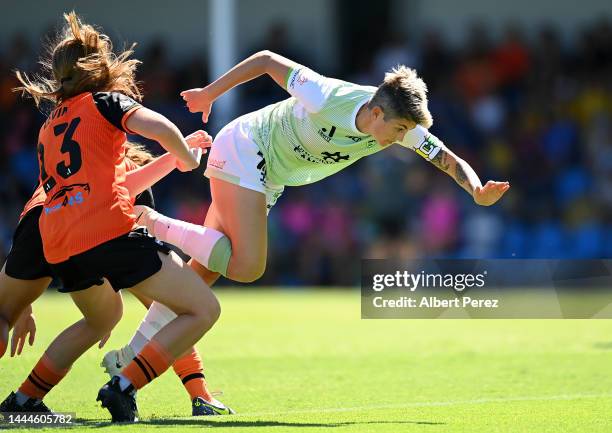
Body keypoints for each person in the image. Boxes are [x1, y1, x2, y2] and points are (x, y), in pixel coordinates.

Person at [107, 50, 510, 361]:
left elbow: (447, 159)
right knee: (247, 266)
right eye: (400, 129)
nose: (403, 138)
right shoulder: (326, 94)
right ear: (375, 112)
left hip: (267, 175)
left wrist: (475, 189)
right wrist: (211, 93)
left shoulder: (395, 128)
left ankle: (132, 354)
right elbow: (266, 61)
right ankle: (149, 220)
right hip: (248, 145)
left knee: (208, 270)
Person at [0, 12, 220, 423]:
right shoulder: (105, 103)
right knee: (202, 308)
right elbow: (159, 125)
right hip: (103, 233)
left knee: (103, 317)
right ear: (99, 69)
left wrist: (173, 158)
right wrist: (188, 159)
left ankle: (25, 401)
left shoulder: (49, 125)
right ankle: (124, 385)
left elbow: (97, 183)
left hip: (57, 245)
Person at [0, 140, 233, 416]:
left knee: (9, 319)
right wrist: (198, 391)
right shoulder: (131, 180)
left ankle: (25, 401)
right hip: (81, 236)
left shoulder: (68, 168)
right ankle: (33, 398)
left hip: (39, 226)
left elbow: (31, 230)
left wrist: (23, 303)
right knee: (179, 308)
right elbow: (163, 310)